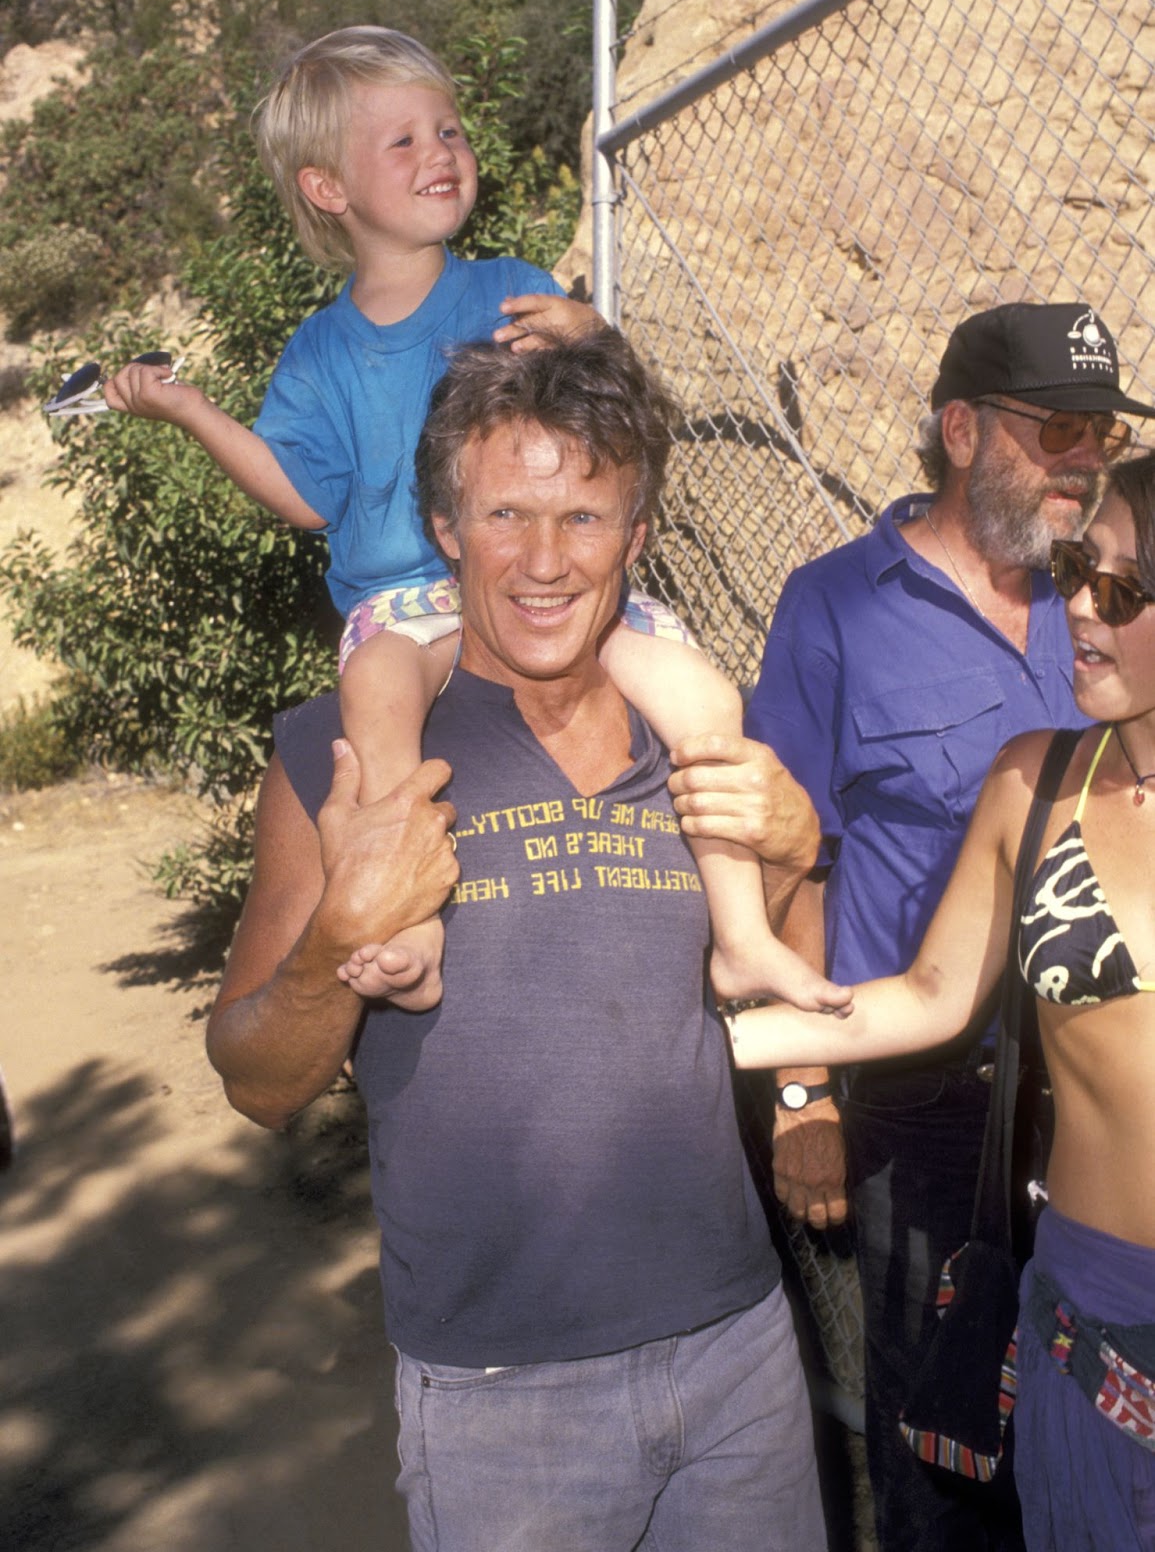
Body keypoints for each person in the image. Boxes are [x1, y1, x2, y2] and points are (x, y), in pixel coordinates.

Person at [206, 327, 832, 1551]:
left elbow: (794, 980)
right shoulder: (337, 755)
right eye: (506, 515)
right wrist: (342, 939)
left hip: (737, 1348)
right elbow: (256, 1083)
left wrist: (799, 851)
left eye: (585, 519)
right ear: (447, 528)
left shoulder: (689, 735)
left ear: (637, 537)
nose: (544, 561)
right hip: (503, 1399)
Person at [103, 24, 847, 1022]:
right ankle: (408, 920)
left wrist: (597, 338)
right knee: (374, 686)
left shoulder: (507, 286)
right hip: (404, 598)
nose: (440, 153)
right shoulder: (319, 353)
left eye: (447, 131)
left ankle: (743, 938)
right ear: (330, 189)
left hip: (543, 580)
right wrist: (192, 410)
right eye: (402, 141)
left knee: (703, 693)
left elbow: (603, 423)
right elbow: (304, 494)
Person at [743, 301, 1155, 1550]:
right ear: (963, 430)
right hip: (930, 1104)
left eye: (1104, 435)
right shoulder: (834, 609)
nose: (1085, 462)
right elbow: (790, 859)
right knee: (944, 1436)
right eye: (1062, 431)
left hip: (1077, 1106)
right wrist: (801, 1090)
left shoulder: (1083, 615)